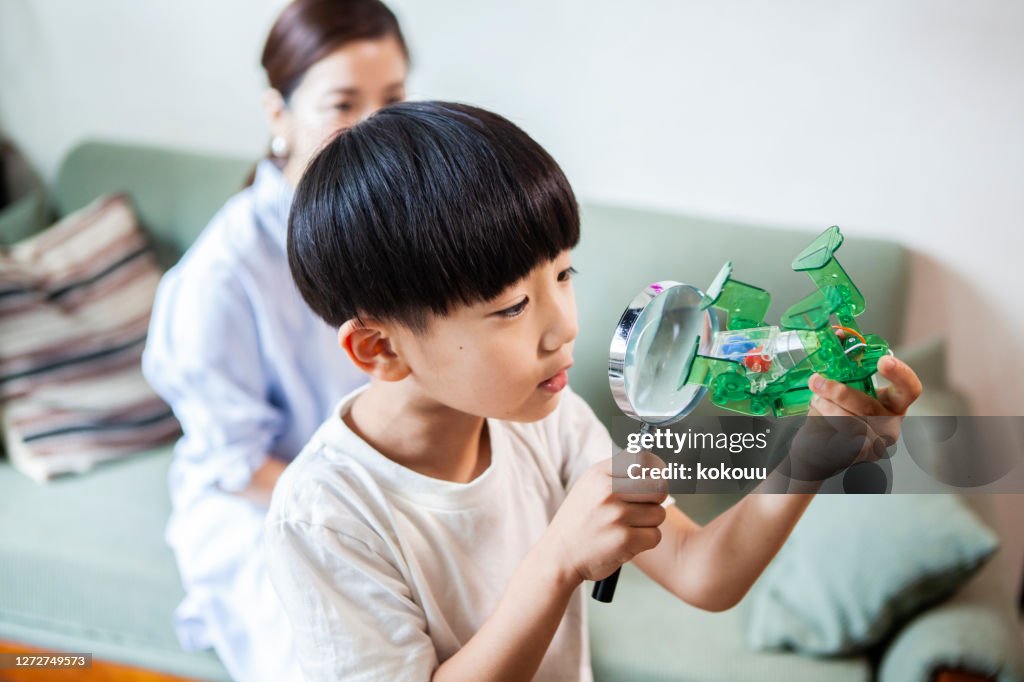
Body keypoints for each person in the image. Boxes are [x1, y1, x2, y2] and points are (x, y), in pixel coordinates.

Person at [264, 101, 924, 680]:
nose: (565, 327)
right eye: (512, 307)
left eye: (563, 274)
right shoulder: (325, 515)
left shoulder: (549, 421)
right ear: (380, 348)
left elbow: (702, 571)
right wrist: (556, 563)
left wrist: (812, 455)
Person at [141, 1, 409, 679]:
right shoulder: (220, 275)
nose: (376, 129)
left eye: (395, 100)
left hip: (377, 482)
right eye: (345, 103)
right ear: (278, 116)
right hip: (261, 502)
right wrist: (371, 519)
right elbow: (239, 462)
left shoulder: (400, 224)